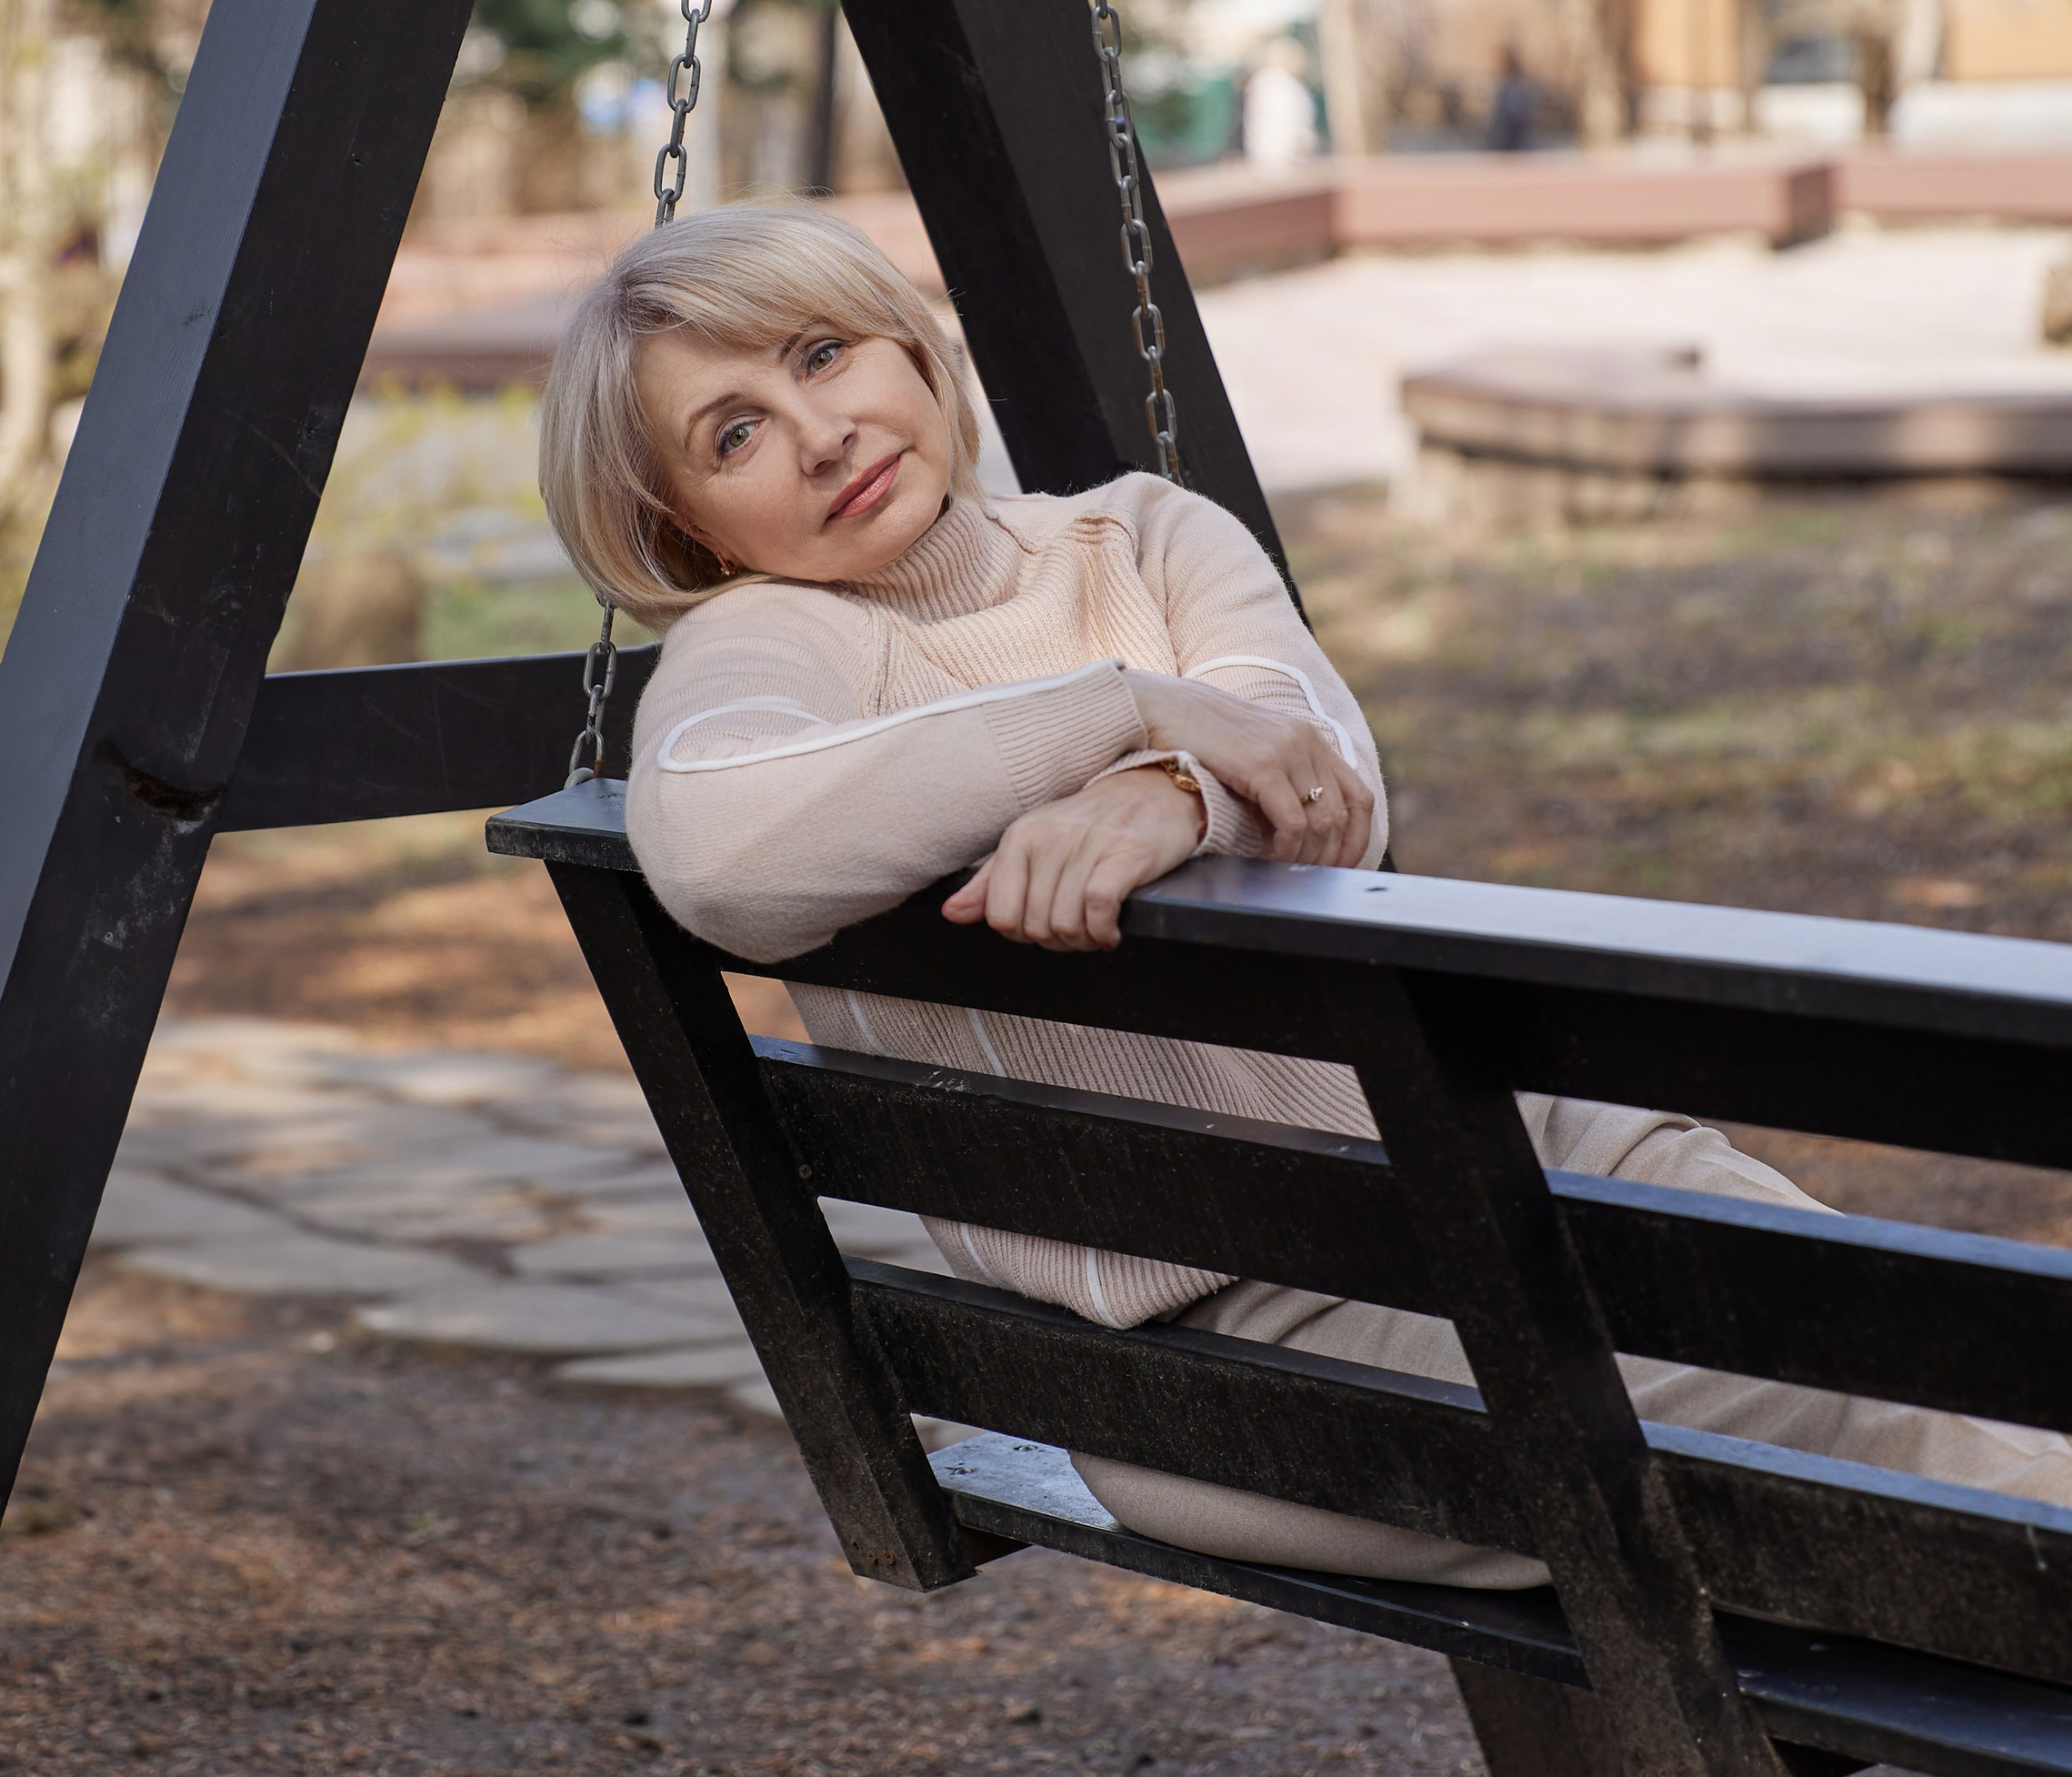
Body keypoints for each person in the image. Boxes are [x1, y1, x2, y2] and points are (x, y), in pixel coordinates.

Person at [537, 201, 2072, 1580]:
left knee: (1931, 1350)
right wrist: (1130, 708)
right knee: (1922, 1388)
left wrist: (1174, 786)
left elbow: (1322, 757)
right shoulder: (771, 649)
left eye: (824, 354)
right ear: (688, 526)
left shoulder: (1138, 531)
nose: (817, 431)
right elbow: (716, 848)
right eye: (732, 432)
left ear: (912, 354)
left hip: (1505, 1157)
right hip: (1252, 1353)